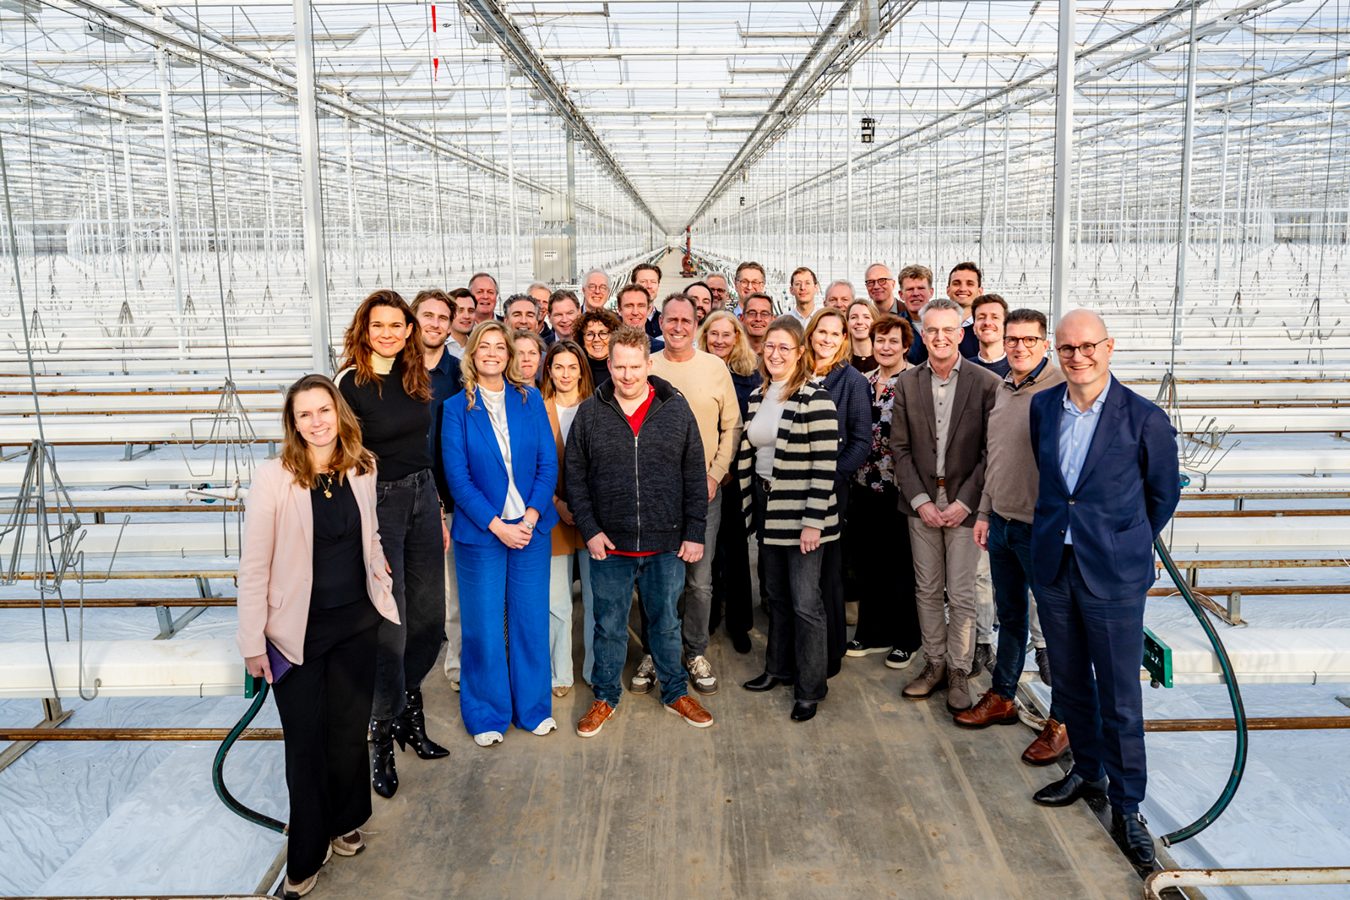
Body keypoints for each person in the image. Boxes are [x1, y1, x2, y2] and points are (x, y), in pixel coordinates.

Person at [237, 374, 399, 900]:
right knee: (305, 743)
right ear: (293, 422)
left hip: (356, 622)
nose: (316, 421)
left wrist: (381, 572)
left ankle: (345, 821)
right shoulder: (274, 477)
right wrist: (251, 642)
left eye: (323, 410)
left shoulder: (362, 466)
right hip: (295, 633)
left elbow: (369, 531)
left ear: (338, 411)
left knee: (348, 731)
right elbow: (254, 563)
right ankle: (307, 850)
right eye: (304, 414)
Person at [1028, 309, 1179, 868]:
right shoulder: (1045, 407)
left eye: (1088, 346)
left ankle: (1128, 804)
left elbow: (1161, 496)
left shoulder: (1143, 418)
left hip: (1111, 574)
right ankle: (1087, 772)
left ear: (1109, 348)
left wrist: (1119, 541)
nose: (1077, 356)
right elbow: (1054, 486)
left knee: (1120, 695)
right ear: (1056, 352)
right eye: (1066, 348)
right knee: (1068, 684)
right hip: (1055, 565)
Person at [564, 326, 714, 737]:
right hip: (610, 544)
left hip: (665, 542)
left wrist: (694, 531)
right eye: (619, 366)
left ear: (650, 364)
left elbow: (692, 473)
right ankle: (605, 696)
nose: (627, 375)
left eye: (635, 366)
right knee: (608, 624)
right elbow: (575, 477)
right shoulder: (590, 413)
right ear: (608, 365)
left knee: (665, 623)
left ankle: (675, 692)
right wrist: (591, 530)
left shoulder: (675, 409)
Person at [337, 290, 448, 799]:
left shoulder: (412, 375)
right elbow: (340, 458)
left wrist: (439, 508)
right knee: (391, 624)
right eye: (377, 325)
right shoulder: (349, 385)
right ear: (364, 329)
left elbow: (420, 445)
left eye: (395, 325)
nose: (387, 332)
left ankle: (407, 710)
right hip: (379, 504)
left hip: (423, 496)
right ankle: (382, 731)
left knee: (429, 617)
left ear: (408, 330)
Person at [957, 309, 1068, 767]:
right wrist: (984, 512)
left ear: (1045, 343)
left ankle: (1062, 720)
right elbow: (995, 457)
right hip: (1001, 521)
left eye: (1029, 339)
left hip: (1040, 528)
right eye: (1013, 339)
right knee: (1010, 613)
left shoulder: (1060, 389)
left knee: (1059, 626)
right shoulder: (1004, 387)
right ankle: (1003, 694)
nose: (1019, 347)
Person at [441, 321, 558, 747]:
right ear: (471, 354)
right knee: (484, 627)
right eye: (483, 346)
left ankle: (533, 709)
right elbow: (458, 477)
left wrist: (527, 519)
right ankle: (486, 712)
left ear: (510, 356)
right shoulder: (455, 409)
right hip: (482, 534)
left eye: (500, 347)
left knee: (529, 622)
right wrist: (496, 525)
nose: (492, 352)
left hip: (531, 531)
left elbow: (548, 466)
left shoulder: (529, 400)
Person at [889, 297, 999, 713]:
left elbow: (991, 452)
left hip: (963, 507)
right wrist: (920, 501)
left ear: (960, 333)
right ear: (921, 334)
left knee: (964, 592)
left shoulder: (985, 382)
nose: (939, 337)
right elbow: (899, 449)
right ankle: (933, 663)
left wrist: (964, 501)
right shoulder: (908, 382)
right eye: (931, 330)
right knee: (929, 589)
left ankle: (959, 669)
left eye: (947, 330)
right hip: (922, 504)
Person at [738, 317, 840, 722]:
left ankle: (810, 687)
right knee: (776, 596)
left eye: (786, 347)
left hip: (801, 515)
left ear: (800, 352)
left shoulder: (815, 397)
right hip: (768, 508)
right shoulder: (759, 394)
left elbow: (825, 464)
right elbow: (753, 451)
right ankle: (777, 669)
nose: (776, 354)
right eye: (770, 347)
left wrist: (814, 521)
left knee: (805, 603)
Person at [648, 293, 743, 694]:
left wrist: (715, 474)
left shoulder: (714, 367)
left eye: (686, 320)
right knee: (657, 578)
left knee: (699, 580)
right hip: (656, 494)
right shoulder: (648, 365)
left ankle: (694, 650)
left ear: (695, 324)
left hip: (703, 489)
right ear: (662, 323)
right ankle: (656, 652)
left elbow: (731, 427)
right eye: (671, 319)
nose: (678, 327)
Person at [843, 316, 919, 669]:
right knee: (866, 562)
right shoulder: (863, 382)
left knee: (900, 565)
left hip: (899, 489)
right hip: (862, 485)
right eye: (880, 340)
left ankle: (905, 637)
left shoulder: (915, 380)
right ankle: (870, 631)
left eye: (893, 341)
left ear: (906, 345)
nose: (885, 347)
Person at [803, 308, 871, 675]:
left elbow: (860, 443)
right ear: (811, 333)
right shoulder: (797, 373)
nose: (827, 339)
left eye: (835, 334)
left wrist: (829, 477)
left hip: (830, 487)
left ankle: (829, 652)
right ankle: (802, 643)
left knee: (828, 567)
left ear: (844, 340)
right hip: (793, 486)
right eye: (822, 332)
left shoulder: (853, 382)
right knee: (800, 569)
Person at [411, 290, 465, 692]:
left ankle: (457, 667)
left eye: (441, 317)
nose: (435, 323)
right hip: (403, 498)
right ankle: (407, 669)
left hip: (451, 496)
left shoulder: (459, 373)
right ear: (414, 320)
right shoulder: (396, 371)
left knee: (455, 595)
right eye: (426, 315)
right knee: (411, 593)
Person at [697, 311, 758, 653]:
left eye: (727, 334)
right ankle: (707, 618)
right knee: (705, 552)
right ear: (704, 336)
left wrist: (729, 467)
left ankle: (739, 623)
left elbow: (744, 426)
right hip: (702, 475)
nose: (720, 340)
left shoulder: (748, 376)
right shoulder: (697, 370)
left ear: (737, 338)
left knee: (735, 552)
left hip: (735, 475)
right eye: (713, 334)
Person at [541, 340, 596, 693]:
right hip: (553, 514)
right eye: (558, 367)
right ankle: (559, 673)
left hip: (593, 518)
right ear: (549, 370)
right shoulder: (537, 410)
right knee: (557, 600)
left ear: (581, 371)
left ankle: (595, 670)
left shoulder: (597, 409)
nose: (565, 374)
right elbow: (530, 467)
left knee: (596, 599)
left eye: (572, 367)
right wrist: (557, 503)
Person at [945, 262, 983, 359]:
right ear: (948, 290)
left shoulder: (986, 329)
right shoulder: (936, 326)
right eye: (956, 283)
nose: (962, 288)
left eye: (970, 284)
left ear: (980, 291)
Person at [898, 265, 933, 364]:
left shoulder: (945, 321)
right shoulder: (895, 326)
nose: (916, 293)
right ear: (901, 295)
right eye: (909, 289)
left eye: (921, 288)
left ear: (931, 292)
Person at [969, 293, 1011, 377]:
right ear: (974, 328)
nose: (987, 323)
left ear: (1006, 327)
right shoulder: (963, 369)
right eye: (981, 317)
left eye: (995, 317)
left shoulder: (1019, 368)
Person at [577, 307, 620, 389]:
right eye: (590, 334)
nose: (596, 339)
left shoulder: (622, 368)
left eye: (603, 333)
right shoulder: (576, 369)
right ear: (582, 340)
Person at [617, 283, 664, 352]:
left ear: (648, 309)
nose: (635, 312)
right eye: (629, 306)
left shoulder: (661, 348)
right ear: (619, 309)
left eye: (641, 306)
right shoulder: (607, 348)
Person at [630, 263, 663, 339]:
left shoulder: (666, 322)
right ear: (633, 285)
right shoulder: (621, 322)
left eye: (653, 282)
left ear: (658, 285)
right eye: (643, 281)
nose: (649, 286)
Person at [846, 299, 879, 373]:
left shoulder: (885, 359)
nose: (860, 322)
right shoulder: (839, 363)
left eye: (866, 317)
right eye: (853, 317)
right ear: (847, 323)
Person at [446, 288, 475, 359]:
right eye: (460, 310)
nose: (467, 316)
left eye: (471, 311)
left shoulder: (477, 347)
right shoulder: (437, 346)